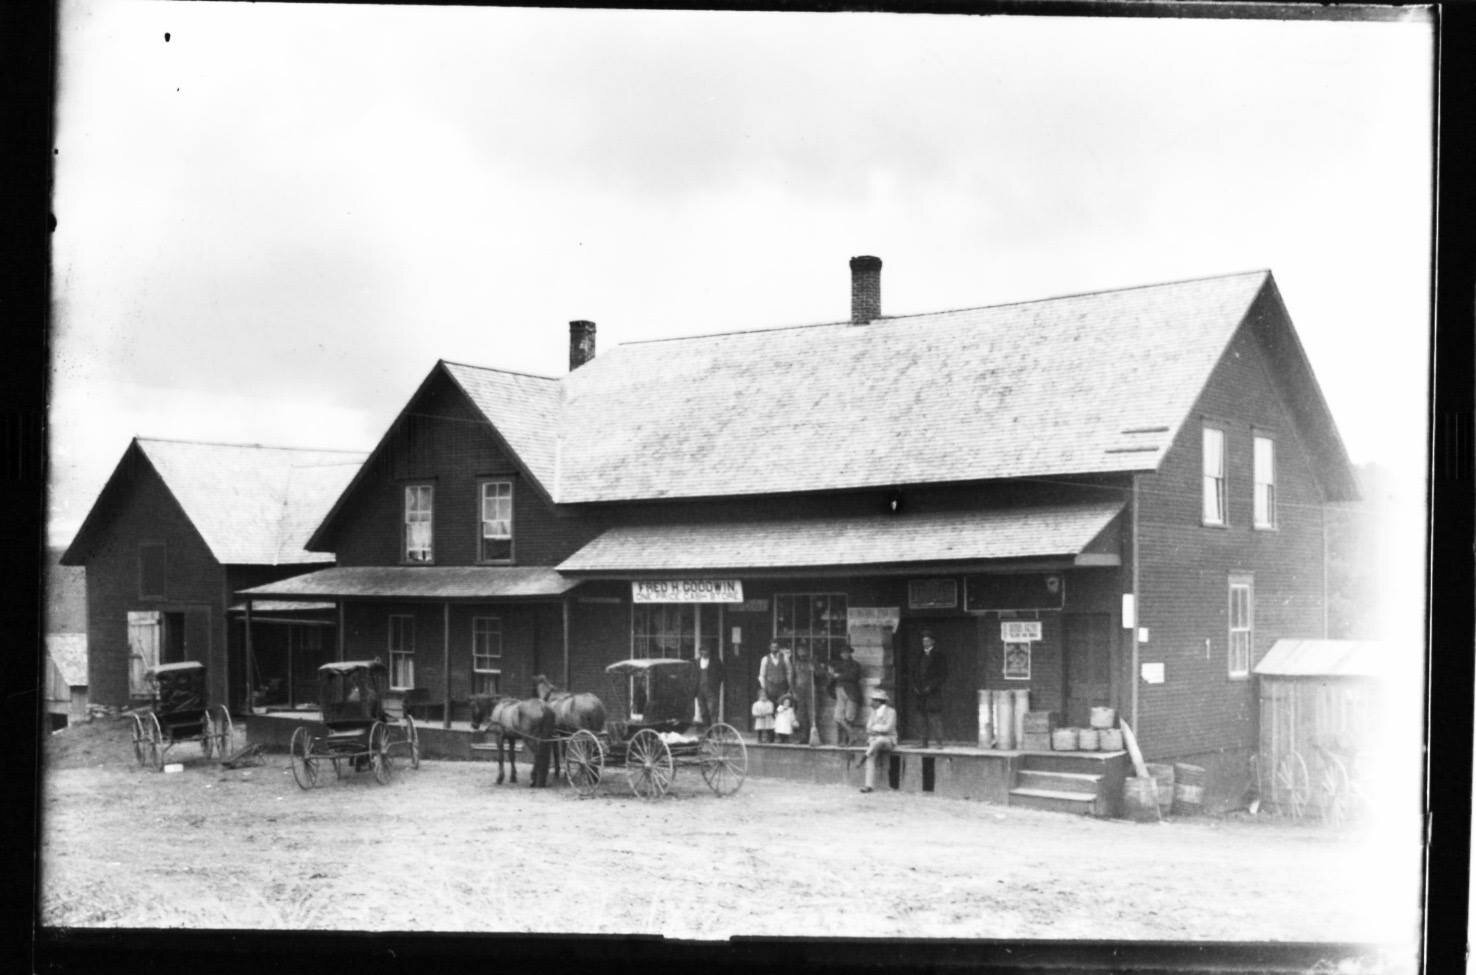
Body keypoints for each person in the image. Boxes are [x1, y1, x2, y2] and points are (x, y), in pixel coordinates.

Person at [914, 630, 948, 747]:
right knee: (921, 717)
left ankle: (939, 742)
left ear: (933, 642)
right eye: (923, 641)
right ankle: (923, 742)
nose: (925, 643)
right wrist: (915, 686)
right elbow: (914, 673)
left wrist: (932, 686)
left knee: (934, 717)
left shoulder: (939, 656)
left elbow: (943, 675)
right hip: (920, 692)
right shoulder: (919, 655)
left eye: (927, 641)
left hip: (933, 692)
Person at [859, 689, 897, 793]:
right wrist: (878, 729)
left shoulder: (891, 712)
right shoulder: (873, 712)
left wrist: (875, 728)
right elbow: (868, 728)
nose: (871, 702)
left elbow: (888, 728)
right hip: (874, 741)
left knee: (880, 739)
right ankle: (868, 786)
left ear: (879, 701)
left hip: (888, 741)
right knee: (871, 755)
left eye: (873, 700)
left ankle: (865, 755)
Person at [826, 644, 863, 746]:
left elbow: (853, 677)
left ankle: (846, 740)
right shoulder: (838, 665)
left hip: (852, 693)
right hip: (839, 691)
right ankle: (852, 735)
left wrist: (838, 676)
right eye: (842, 653)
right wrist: (831, 674)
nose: (844, 654)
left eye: (846, 652)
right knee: (838, 717)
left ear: (850, 653)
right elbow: (831, 676)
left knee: (849, 717)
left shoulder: (855, 665)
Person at [791, 645, 815, 743]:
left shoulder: (812, 663)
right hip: (800, 691)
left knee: (812, 714)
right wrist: (794, 691)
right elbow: (792, 679)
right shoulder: (795, 664)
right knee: (801, 715)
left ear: (807, 653)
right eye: (800, 653)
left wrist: (814, 670)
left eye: (804, 652)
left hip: (811, 691)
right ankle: (803, 737)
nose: (802, 655)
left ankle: (813, 737)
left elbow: (821, 674)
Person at [695, 645, 724, 726]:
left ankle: (714, 729)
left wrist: (716, 684)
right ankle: (707, 730)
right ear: (700, 652)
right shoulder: (697, 662)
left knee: (713, 710)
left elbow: (721, 674)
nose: (704, 653)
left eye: (706, 650)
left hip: (711, 690)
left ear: (709, 651)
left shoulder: (715, 661)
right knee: (703, 711)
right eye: (702, 651)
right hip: (700, 690)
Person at [758, 640, 791, 704]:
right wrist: (764, 687)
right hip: (770, 687)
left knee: (782, 705)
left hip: (782, 687)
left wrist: (789, 685)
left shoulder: (785, 658)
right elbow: (762, 675)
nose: (774, 649)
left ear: (779, 648)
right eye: (772, 647)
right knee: (771, 705)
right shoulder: (765, 659)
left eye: (776, 647)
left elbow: (789, 672)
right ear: (770, 648)